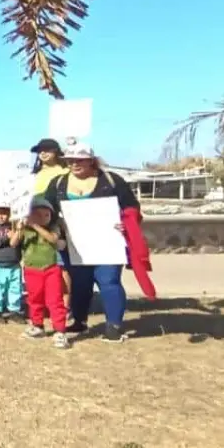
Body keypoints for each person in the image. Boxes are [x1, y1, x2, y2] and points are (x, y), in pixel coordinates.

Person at [43, 142, 139, 343]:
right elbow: (46, 210)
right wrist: (53, 225)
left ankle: (114, 326)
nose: (75, 164)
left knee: (109, 281)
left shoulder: (112, 181)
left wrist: (126, 223)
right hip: (74, 244)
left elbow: (132, 207)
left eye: (80, 160)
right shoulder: (58, 183)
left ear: (91, 160)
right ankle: (79, 320)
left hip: (107, 243)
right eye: (70, 160)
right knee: (79, 284)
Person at [14, 199, 70, 348]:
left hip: (51, 269)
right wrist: (20, 228)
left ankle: (60, 331)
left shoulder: (54, 229)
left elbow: (52, 239)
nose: (43, 218)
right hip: (31, 269)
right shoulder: (25, 229)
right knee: (34, 299)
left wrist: (35, 225)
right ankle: (37, 325)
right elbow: (13, 243)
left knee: (55, 300)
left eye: (47, 215)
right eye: (38, 214)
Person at [0, 205, 24, 324]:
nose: (1, 216)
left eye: (4, 213)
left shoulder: (13, 226)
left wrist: (18, 231)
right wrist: (6, 238)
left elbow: (17, 243)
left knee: (15, 288)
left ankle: (14, 310)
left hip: (13, 264)